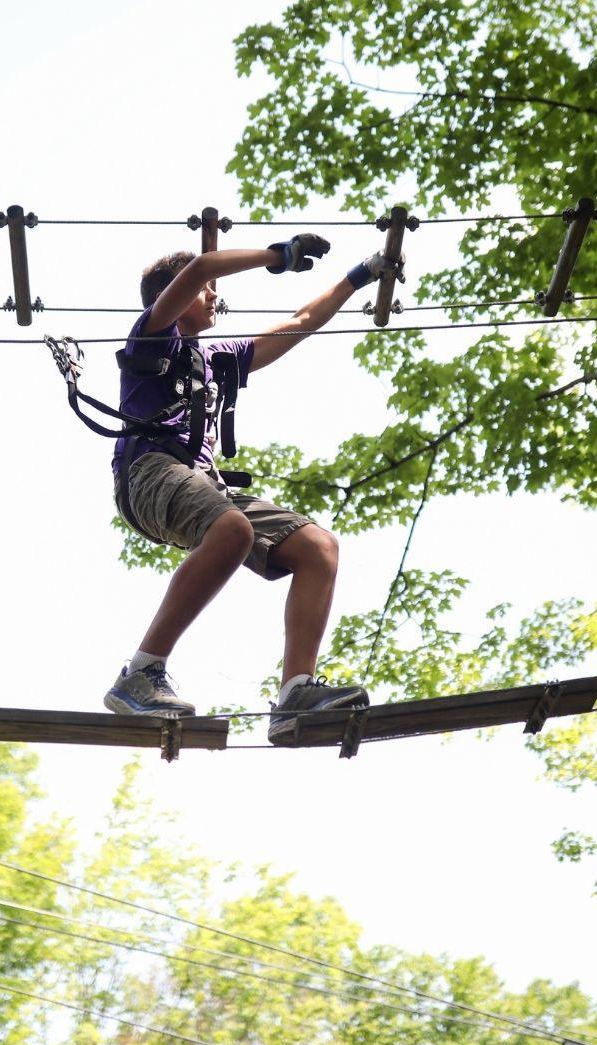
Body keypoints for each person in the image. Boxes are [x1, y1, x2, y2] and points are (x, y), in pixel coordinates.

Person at [103, 233, 398, 745]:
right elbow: (199, 270)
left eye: (216, 290)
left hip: (202, 483)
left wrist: (360, 275)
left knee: (318, 548)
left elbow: (302, 323)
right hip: (149, 473)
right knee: (232, 529)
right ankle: (141, 673)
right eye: (209, 291)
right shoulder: (153, 335)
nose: (216, 296)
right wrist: (274, 257)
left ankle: (295, 695)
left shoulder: (217, 357)